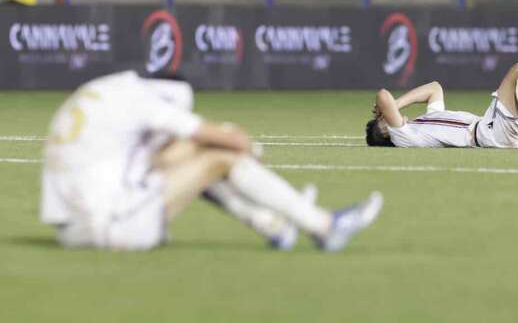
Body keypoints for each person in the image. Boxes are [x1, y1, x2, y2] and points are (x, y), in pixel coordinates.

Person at [41, 70, 383, 251]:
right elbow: (234, 141)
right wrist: (247, 158)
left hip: (71, 229)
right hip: (105, 229)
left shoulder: (107, 91)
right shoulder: (147, 102)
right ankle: (324, 227)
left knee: (202, 156)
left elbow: (160, 160)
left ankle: (276, 225)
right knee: (218, 154)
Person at [366, 61, 518, 150]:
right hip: (489, 132)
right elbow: (383, 95)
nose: (394, 115)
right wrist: (390, 107)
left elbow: (434, 87)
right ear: (389, 130)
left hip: (504, 128)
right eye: (386, 119)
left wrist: (397, 104)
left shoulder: (422, 124)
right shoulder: (405, 137)